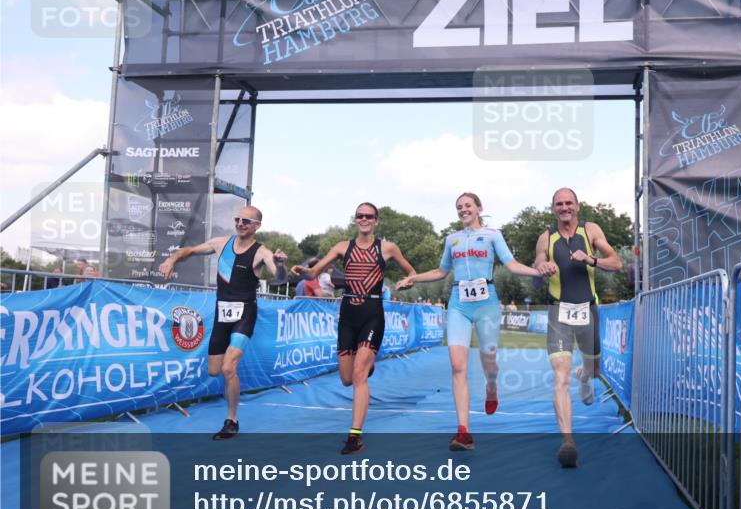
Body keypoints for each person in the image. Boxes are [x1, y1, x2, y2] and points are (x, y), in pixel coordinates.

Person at [398, 192, 545, 451]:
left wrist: (539, 271)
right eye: (459, 207)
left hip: (486, 304)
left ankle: (491, 387)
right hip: (458, 304)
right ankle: (463, 432)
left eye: (468, 205)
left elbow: (511, 265)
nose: (463, 210)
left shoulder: (492, 235)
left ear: (479, 208)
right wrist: (414, 279)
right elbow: (441, 272)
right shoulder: (451, 240)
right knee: (457, 366)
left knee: (489, 361)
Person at [293, 203, 416, 455]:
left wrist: (407, 281)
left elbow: (411, 271)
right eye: (360, 215)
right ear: (355, 220)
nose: (364, 219)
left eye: (369, 216)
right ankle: (367, 362)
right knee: (347, 379)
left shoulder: (388, 248)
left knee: (359, 376)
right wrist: (304, 271)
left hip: (372, 313)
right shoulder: (342, 247)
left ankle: (355, 436)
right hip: (347, 314)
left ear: (376, 221)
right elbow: (314, 271)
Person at [158, 206, 287, 440]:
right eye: (237, 219)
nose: (240, 223)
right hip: (222, 314)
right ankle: (233, 388)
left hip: (245, 314)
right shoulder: (221, 243)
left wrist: (280, 264)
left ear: (257, 226)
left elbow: (279, 278)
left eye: (246, 221)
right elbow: (190, 251)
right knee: (215, 370)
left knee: (229, 368)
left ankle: (232, 420)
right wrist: (172, 259)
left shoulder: (261, 252)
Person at [534, 188, 622, 467]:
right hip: (558, 311)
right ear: (553, 209)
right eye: (559, 204)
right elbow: (537, 263)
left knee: (594, 369)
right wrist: (543, 267)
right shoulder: (546, 237)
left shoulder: (591, 230)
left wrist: (591, 259)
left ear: (577, 206)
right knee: (561, 376)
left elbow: (617, 263)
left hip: (588, 310)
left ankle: (585, 376)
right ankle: (568, 442)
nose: (564, 207)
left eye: (568, 202)